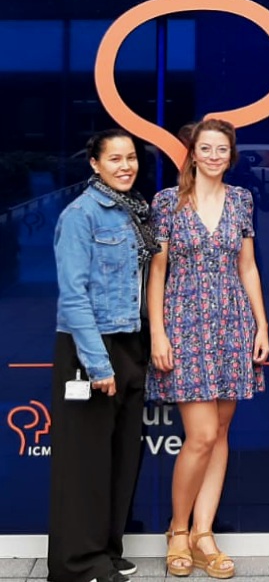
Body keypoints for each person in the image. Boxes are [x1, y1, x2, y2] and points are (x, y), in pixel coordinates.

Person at [146, 118, 269, 579]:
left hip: (233, 324)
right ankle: (178, 531)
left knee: (219, 433)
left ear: (230, 155)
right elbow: (157, 272)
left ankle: (204, 534)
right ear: (192, 153)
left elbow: (248, 267)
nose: (214, 156)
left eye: (222, 149)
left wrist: (261, 324)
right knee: (199, 436)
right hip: (184, 323)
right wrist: (157, 333)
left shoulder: (241, 200)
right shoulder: (167, 202)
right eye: (206, 148)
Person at [48, 129, 160, 582]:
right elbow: (73, 296)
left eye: (130, 157)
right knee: (86, 462)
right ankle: (77, 564)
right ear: (94, 163)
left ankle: (107, 552)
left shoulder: (135, 211)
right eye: (114, 158)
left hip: (130, 341)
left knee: (121, 457)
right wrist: (98, 364)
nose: (125, 166)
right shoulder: (81, 215)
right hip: (91, 346)